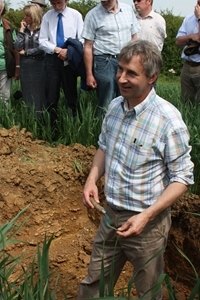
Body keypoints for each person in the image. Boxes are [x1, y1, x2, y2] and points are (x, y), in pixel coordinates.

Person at [78, 39, 194, 300]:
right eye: (120, 70)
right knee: (93, 284)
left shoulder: (168, 120)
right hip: (110, 216)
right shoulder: (115, 108)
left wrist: (147, 216)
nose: (121, 78)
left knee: (148, 292)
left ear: (152, 77)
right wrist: (91, 179)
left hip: (147, 225)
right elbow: (104, 148)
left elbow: (182, 178)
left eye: (131, 73)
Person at [81, 0, 140, 113]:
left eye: (108, 1)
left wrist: (135, 59)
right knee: (106, 101)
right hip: (104, 61)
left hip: (126, 59)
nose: (105, 3)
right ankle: (104, 127)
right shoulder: (92, 15)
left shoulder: (128, 10)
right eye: (102, 1)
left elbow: (134, 37)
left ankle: (125, 126)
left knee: (127, 97)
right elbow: (88, 46)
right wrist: (89, 74)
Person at [39, 0, 84, 133]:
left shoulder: (75, 15)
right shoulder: (47, 16)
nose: (56, 6)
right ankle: (53, 131)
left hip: (69, 60)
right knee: (51, 97)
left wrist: (68, 52)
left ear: (66, 1)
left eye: (59, 2)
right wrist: (56, 49)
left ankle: (74, 129)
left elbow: (82, 39)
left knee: (71, 96)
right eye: (53, 3)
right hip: (52, 59)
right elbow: (42, 41)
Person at [14, 4, 46, 117]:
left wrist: (27, 52)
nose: (24, 18)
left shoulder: (43, 29)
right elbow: (17, 46)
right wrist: (21, 30)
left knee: (39, 95)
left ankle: (40, 120)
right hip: (26, 66)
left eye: (27, 16)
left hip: (40, 65)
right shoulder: (25, 30)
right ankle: (29, 121)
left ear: (34, 16)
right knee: (27, 94)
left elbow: (43, 47)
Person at [176, 1, 200, 103]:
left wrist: (199, 18)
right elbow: (178, 41)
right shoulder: (188, 18)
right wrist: (190, 36)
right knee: (186, 103)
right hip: (187, 66)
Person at [0, 0, 20, 103]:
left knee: (4, 97)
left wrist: (17, 66)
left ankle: (4, 118)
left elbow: (16, 48)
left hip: (4, 66)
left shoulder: (8, 26)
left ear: (2, 10)